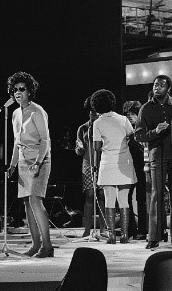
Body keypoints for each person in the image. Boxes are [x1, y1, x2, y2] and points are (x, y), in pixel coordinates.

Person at [135, 75, 172, 250]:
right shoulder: (146, 108)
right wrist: (155, 131)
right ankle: (154, 236)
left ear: (169, 88)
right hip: (156, 155)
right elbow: (139, 135)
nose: (158, 87)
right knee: (157, 195)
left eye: (162, 85)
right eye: (155, 84)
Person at [7, 71, 53, 258]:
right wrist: (12, 165)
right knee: (27, 202)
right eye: (14, 89)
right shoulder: (15, 113)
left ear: (29, 91)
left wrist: (38, 162)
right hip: (23, 161)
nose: (18, 92)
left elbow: (45, 140)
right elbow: (17, 141)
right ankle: (35, 244)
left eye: (22, 89)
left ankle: (47, 246)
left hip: (39, 160)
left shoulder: (37, 111)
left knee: (35, 200)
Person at [91, 89, 137, 244]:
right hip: (124, 162)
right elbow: (132, 136)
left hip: (107, 163)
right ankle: (124, 235)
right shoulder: (123, 119)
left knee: (110, 199)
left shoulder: (97, 123)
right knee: (124, 200)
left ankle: (111, 236)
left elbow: (97, 148)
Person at [75, 97, 105, 238]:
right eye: (91, 113)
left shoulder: (104, 126)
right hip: (88, 164)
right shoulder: (83, 128)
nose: (93, 115)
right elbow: (78, 150)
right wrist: (79, 148)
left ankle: (103, 229)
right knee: (89, 195)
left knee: (102, 195)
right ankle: (87, 229)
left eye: (96, 112)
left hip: (102, 163)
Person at [123, 100, 148, 240]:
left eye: (133, 113)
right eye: (128, 114)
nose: (130, 116)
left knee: (141, 198)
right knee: (126, 197)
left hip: (141, 166)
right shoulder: (124, 130)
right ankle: (131, 228)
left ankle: (143, 229)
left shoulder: (141, 128)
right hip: (127, 166)